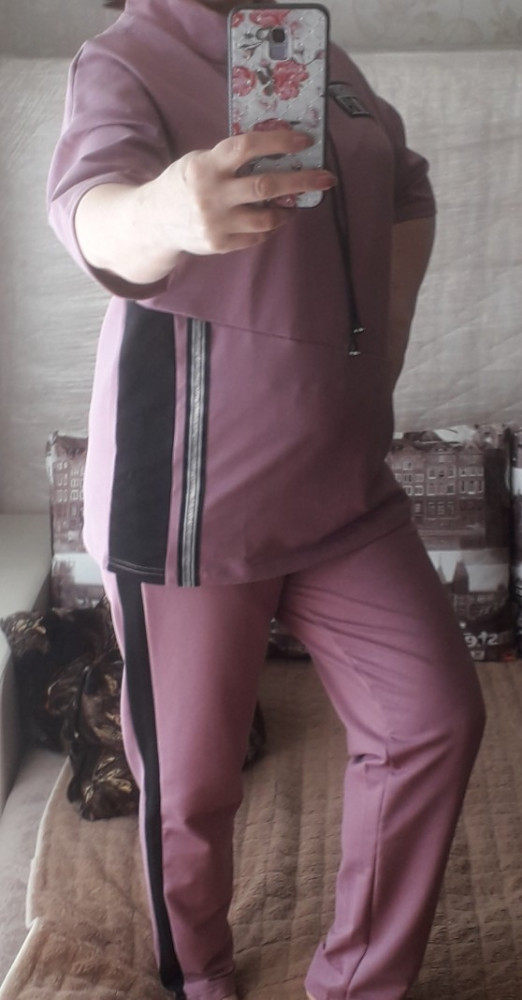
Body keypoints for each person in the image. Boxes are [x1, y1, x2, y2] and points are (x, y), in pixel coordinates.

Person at [47, 1, 486, 998]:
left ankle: (360, 982)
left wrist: (383, 348)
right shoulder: (125, 58)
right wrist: (163, 215)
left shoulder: (313, 54)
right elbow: (87, 208)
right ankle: (198, 975)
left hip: (343, 485)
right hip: (189, 502)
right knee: (191, 785)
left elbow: (404, 185)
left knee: (432, 719)